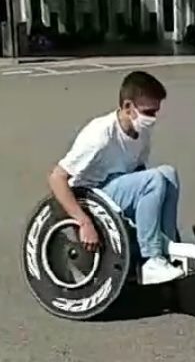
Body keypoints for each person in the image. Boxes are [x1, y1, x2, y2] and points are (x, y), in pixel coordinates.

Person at [48, 70, 184, 285]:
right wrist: (84, 222)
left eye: (156, 112)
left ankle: (167, 248)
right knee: (154, 180)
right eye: (148, 112)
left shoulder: (142, 131)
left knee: (168, 174)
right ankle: (152, 260)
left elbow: (139, 169)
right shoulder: (99, 136)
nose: (153, 119)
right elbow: (57, 178)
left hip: (117, 184)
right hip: (92, 194)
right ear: (128, 107)